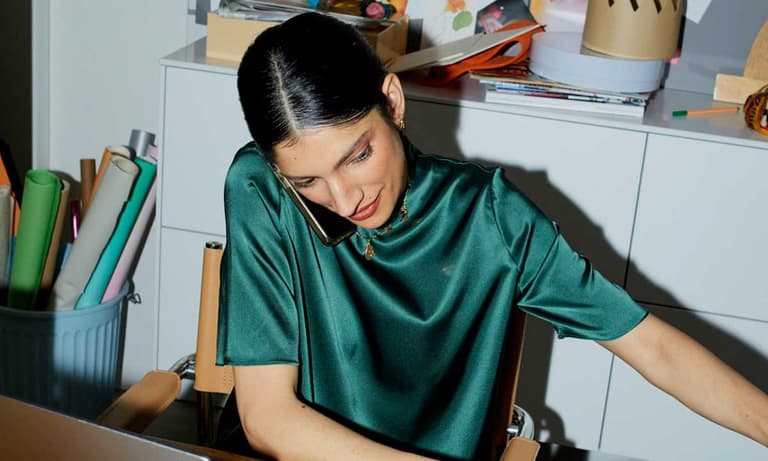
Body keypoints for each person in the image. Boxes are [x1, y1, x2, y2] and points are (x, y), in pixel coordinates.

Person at [216, 12, 768, 461]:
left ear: (394, 101)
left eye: (358, 155)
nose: (344, 199)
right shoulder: (261, 187)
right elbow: (269, 422)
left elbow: (651, 345)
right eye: (308, 180)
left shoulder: (490, 218)